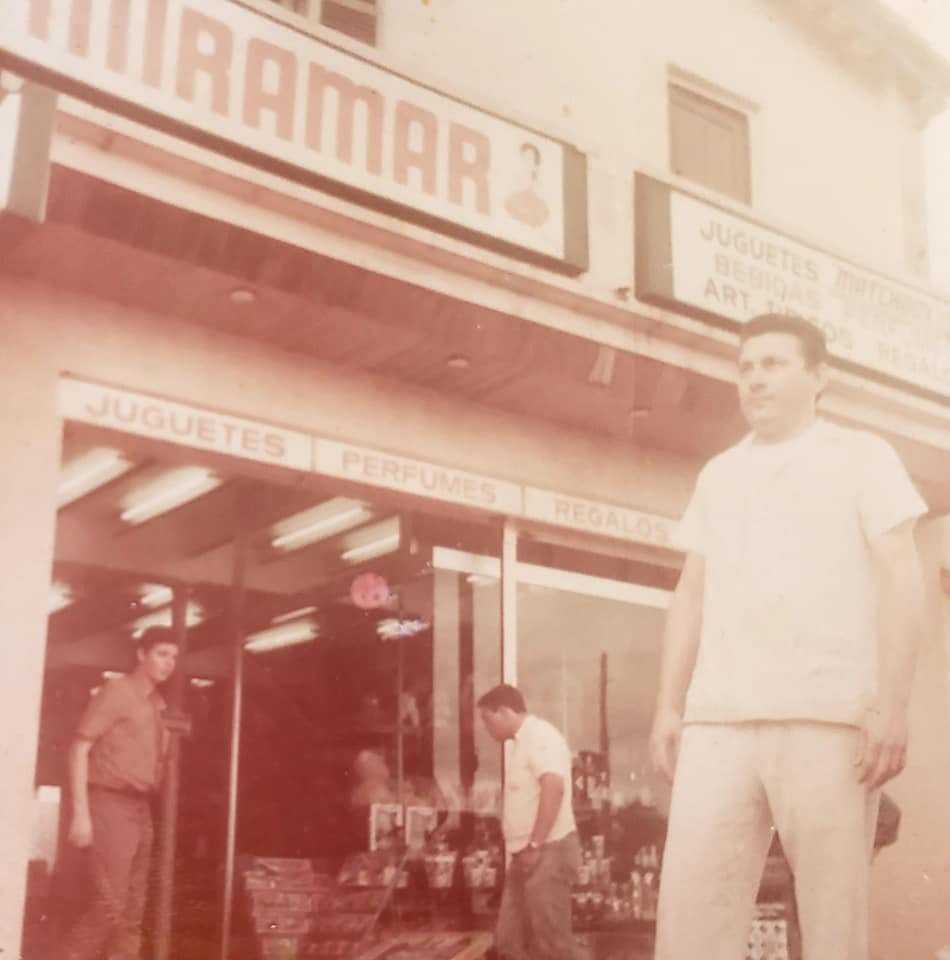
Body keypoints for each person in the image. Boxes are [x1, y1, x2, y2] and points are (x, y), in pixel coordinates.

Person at [649, 313, 928, 960]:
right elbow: (690, 592)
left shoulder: (862, 456)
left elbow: (902, 582)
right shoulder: (720, 474)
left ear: (819, 376)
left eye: (774, 364)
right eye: (746, 367)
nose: (755, 379)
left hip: (826, 718)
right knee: (689, 920)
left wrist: (892, 705)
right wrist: (669, 705)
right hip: (719, 721)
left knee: (833, 923)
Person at [58, 626, 179, 960]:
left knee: (133, 911)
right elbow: (79, 748)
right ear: (141, 654)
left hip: (140, 809)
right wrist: (81, 815)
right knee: (109, 906)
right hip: (109, 803)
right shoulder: (117, 690)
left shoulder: (158, 703)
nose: (168, 663)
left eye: (173, 657)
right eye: (161, 654)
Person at [477, 683, 583, 960]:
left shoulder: (540, 736)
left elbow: (553, 786)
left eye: (487, 719)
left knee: (552, 943)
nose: (486, 729)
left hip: (548, 851)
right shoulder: (523, 743)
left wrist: (535, 844)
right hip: (528, 855)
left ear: (503, 712)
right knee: (509, 942)